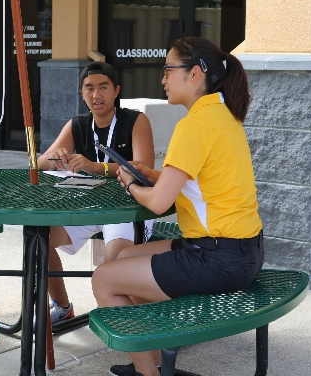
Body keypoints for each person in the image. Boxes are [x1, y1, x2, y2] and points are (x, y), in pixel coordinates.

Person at [92, 37, 264, 376]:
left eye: (169, 70)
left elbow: (157, 204)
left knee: (104, 279)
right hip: (244, 252)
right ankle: (154, 359)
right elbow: (198, 179)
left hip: (217, 258)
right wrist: (154, 173)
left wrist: (128, 182)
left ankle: (148, 373)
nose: (163, 79)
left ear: (195, 73)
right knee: (125, 258)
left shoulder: (194, 125)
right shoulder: (223, 115)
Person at [37, 61, 155, 324]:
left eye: (103, 87)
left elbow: (145, 169)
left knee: (114, 266)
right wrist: (54, 157)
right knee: (37, 241)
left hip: (129, 206)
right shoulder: (77, 124)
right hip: (88, 205)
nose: (96, 95)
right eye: (89, 88)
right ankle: (63, 306)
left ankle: (139, 326)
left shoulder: (135, 120)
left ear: (116, 90)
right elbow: (39, 163)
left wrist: (97, 167)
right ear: (81, 93)